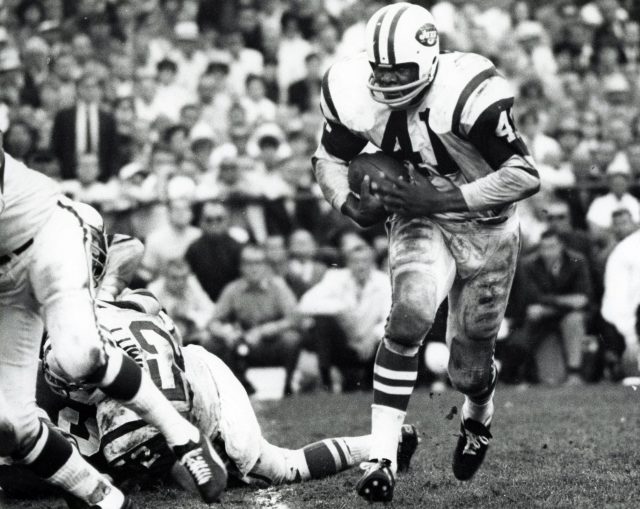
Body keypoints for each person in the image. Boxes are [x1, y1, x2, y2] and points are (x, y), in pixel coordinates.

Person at [312, 3, 539, 502]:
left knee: (469, 369)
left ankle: (478, 418)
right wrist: (350, 204)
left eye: (400, 70)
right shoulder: (351, 90)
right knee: (410, 314)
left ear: (429, 58)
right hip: (418, 215)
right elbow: (329, 158)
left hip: (486, 226)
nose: (389, 80)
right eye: (381, 70)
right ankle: (381, 457)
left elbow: (525, 174)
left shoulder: (469, 92)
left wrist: (444, 197)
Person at [0, 237, 418, 498]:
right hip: (188, 371)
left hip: (172, 402)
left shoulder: (58, 346)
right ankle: (385, 442)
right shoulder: (123, 300)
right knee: (268, 464)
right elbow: (135, 267)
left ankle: (382, 444)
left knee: (274, 468)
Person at [0, 151, 226, 507]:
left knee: (77, 354)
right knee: (12, 425)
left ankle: (182, 437)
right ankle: (101, 495)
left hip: (41, 246)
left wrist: (101, 297)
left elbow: (128, 246)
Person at [208, 244, 301, 396]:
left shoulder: (278, 287)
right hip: (242, 344)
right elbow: (213, 322)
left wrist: (264, 331)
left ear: (266, 266)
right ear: (241, 267)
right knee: (211, 343)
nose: (253, 268)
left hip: (270, 342)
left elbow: (294, 318)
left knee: (292, 340)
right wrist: (227, 334)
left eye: (258, 263)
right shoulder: (232, 289)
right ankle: (237, 387)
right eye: (248, 263)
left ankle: (287, 386)